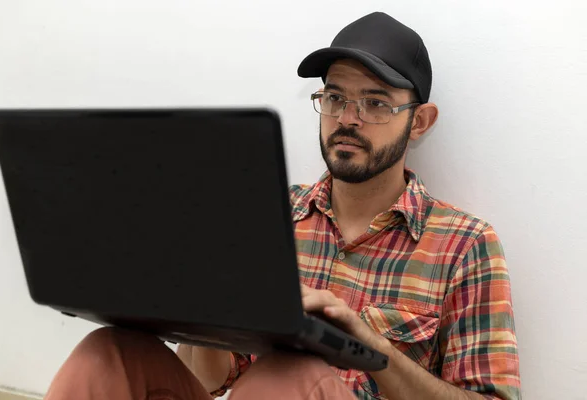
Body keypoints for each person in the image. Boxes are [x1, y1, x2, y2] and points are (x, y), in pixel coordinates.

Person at [43, 11, 521, 400]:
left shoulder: (465, 243)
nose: (348, 119)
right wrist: (195, 307)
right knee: (107, 351)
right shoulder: (265, 214)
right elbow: (212, 380)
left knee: (291, 374)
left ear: (419, 122)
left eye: (375, 103)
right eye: (335, 97)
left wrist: (371, 347)